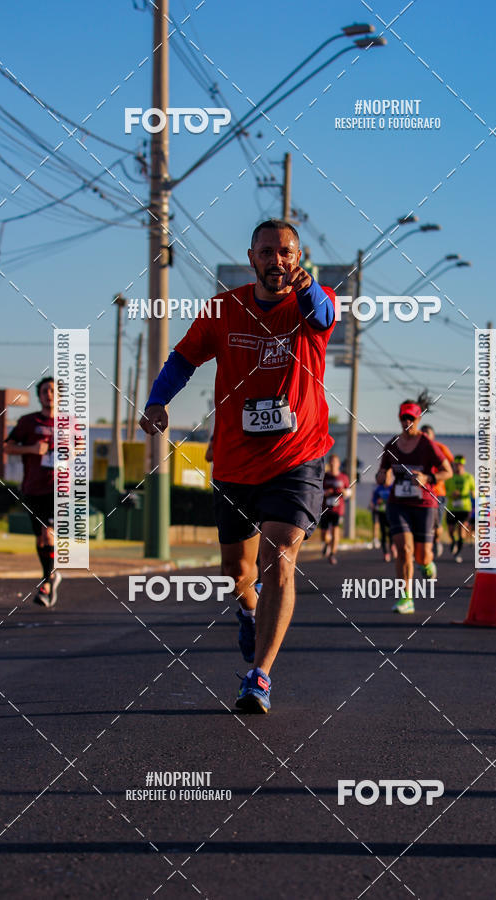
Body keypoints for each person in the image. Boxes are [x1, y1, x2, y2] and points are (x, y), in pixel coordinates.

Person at [140, 219, 336, 713]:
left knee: (281, 554)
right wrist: (158, 401)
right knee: (237, 569)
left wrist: (307, 285)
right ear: (252, 257)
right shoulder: (223, 309)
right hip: (234, 459)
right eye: (268, 252)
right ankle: (248, 611)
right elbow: (184, 358)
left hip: (297, 456)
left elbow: (323, 312)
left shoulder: (311, 303)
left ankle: (260, 676)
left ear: (299, 258)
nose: (277, 261)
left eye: (286, 253)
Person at [376, 399, 452, 614]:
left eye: (411, 417)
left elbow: (448, 471)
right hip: (398, 504)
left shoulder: (428, 445)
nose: (407, 421)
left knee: (421, 556)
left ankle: (426, 563)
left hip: (424, 505)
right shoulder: (391, 445)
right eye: (404, 417)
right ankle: (405, 598)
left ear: (418, 419)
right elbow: (382, 473)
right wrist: (381, 476)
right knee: (403, 550)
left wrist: (428, 477)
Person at [4, 377, 62, 606]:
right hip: (32, 488)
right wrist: (33, 449)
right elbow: (7, 446)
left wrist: (71, 452)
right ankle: (51, 576)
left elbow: (79, 447)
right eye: (45, 390)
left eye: (53, 391)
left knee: (48, 533)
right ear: (39, 395)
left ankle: (47, 584)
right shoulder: (28, 422)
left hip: (58, 488)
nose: (49, 394)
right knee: (40, 539)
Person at [420, 424, 454, 558]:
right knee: (423, 524)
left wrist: (436, 475)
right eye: (422, 433)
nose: (425, 435)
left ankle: (436, 540)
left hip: (438, 492)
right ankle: (424, 550)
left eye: (428, 433)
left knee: (437, 525)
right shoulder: (416, 449)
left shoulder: (440, 448)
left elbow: (449, 466)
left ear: (433, 435)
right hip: (422, 492)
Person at [321, 453, 351, 565]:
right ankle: (327, 544)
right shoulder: (324, 477)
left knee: (335, 530)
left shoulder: (343, 477)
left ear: (338, 464)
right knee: (324, 534)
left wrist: (345, 492)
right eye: (331, 462)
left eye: (335, 462)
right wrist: (325, 493)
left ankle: (332, 554)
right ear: (329, 463)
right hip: (325, 508)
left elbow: (349, 492)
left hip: (338, 509)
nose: (333, 464)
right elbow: (318, 491)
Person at [444, 455, 475, 563]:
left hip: (464, 508)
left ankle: (458, 553)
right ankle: (453, 541)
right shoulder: (449, 477)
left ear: (463, 465)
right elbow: (444, 492)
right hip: (452, 508)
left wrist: (474, 495)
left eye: (460, 465)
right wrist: (451, 494)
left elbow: (474, 491)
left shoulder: (469, 477)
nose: (458, 467)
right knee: (451, 531)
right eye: (456, 465)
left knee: (462, 531)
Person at [369, 482, 392, 561]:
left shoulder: (392, 486)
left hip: (390, 513)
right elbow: (374, 499)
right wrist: (376, 502)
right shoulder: (378, 488)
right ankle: (386, 553)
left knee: (391, 533)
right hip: (381, 513)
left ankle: (393, 549)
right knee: (383, 533)